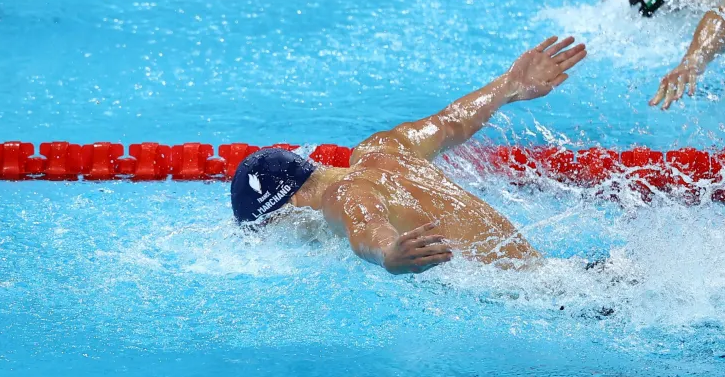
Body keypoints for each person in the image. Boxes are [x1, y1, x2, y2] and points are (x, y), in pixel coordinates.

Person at [229, 36, 587, 274]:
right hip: (554, 274)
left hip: (538, 301)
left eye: (275, 227)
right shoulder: (383, 149)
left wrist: (388, 254)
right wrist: (508, 85)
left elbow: (367, 224)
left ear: (289, 203)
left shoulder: (339, 194)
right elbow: (450, 123)